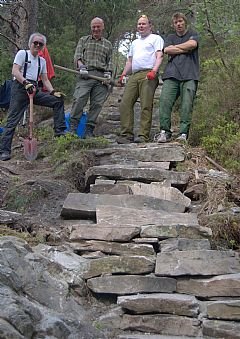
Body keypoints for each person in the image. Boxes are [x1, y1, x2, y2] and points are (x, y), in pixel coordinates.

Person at [0, 32, 66, 161]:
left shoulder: (42, 60)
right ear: (30, 44)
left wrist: (52, 92)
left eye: (40, 44)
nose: (37, 45)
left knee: (57, 101)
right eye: (35, 43)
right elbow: (15, 71)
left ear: (43, 46)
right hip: (20, 88)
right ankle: (4, 150)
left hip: (34, 89)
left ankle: (60, 132)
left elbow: (45, 79)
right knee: (13, 120)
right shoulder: (22, 54)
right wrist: (25, 83)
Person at [117, 15, 164, 144]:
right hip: (135, 74)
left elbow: (159, 56)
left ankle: (143, 135)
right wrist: (123, 75)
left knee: (146, 105)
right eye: (139, 24)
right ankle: (126, 134)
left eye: (143, 24)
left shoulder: (156, 38)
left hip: (148, 73)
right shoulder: (134, 43)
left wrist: (154, 71)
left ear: (150, 26)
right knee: (125, 103)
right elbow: (130, 61)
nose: (141, 26)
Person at [156, 12, 200, 143]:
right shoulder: (170, 37)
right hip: (171, 74)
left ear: (184, 22)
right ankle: (165, 132)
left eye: (180, 21)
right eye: (176, 22)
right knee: (164, 102)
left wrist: (176, 48)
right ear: (173, 25)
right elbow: (167, 50)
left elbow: (192, 44)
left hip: (190, 75)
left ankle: (183, 134)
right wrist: (184, 49)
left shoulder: (193, 33)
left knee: (187, 105)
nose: (178, 24)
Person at [70, 17, 113, 137]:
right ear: (91, 27)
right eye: (93, 26)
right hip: (85, 75)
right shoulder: (83, 40)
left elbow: (109, 61)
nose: (96, 29)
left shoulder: (108, 44)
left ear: (102, 27)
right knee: (79, 100)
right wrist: (81, 67)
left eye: (98, 26)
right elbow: (77, 56)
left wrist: (108, 73)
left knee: (97, 104)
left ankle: (89, 130)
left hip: (101, 78)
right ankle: (73, 128)